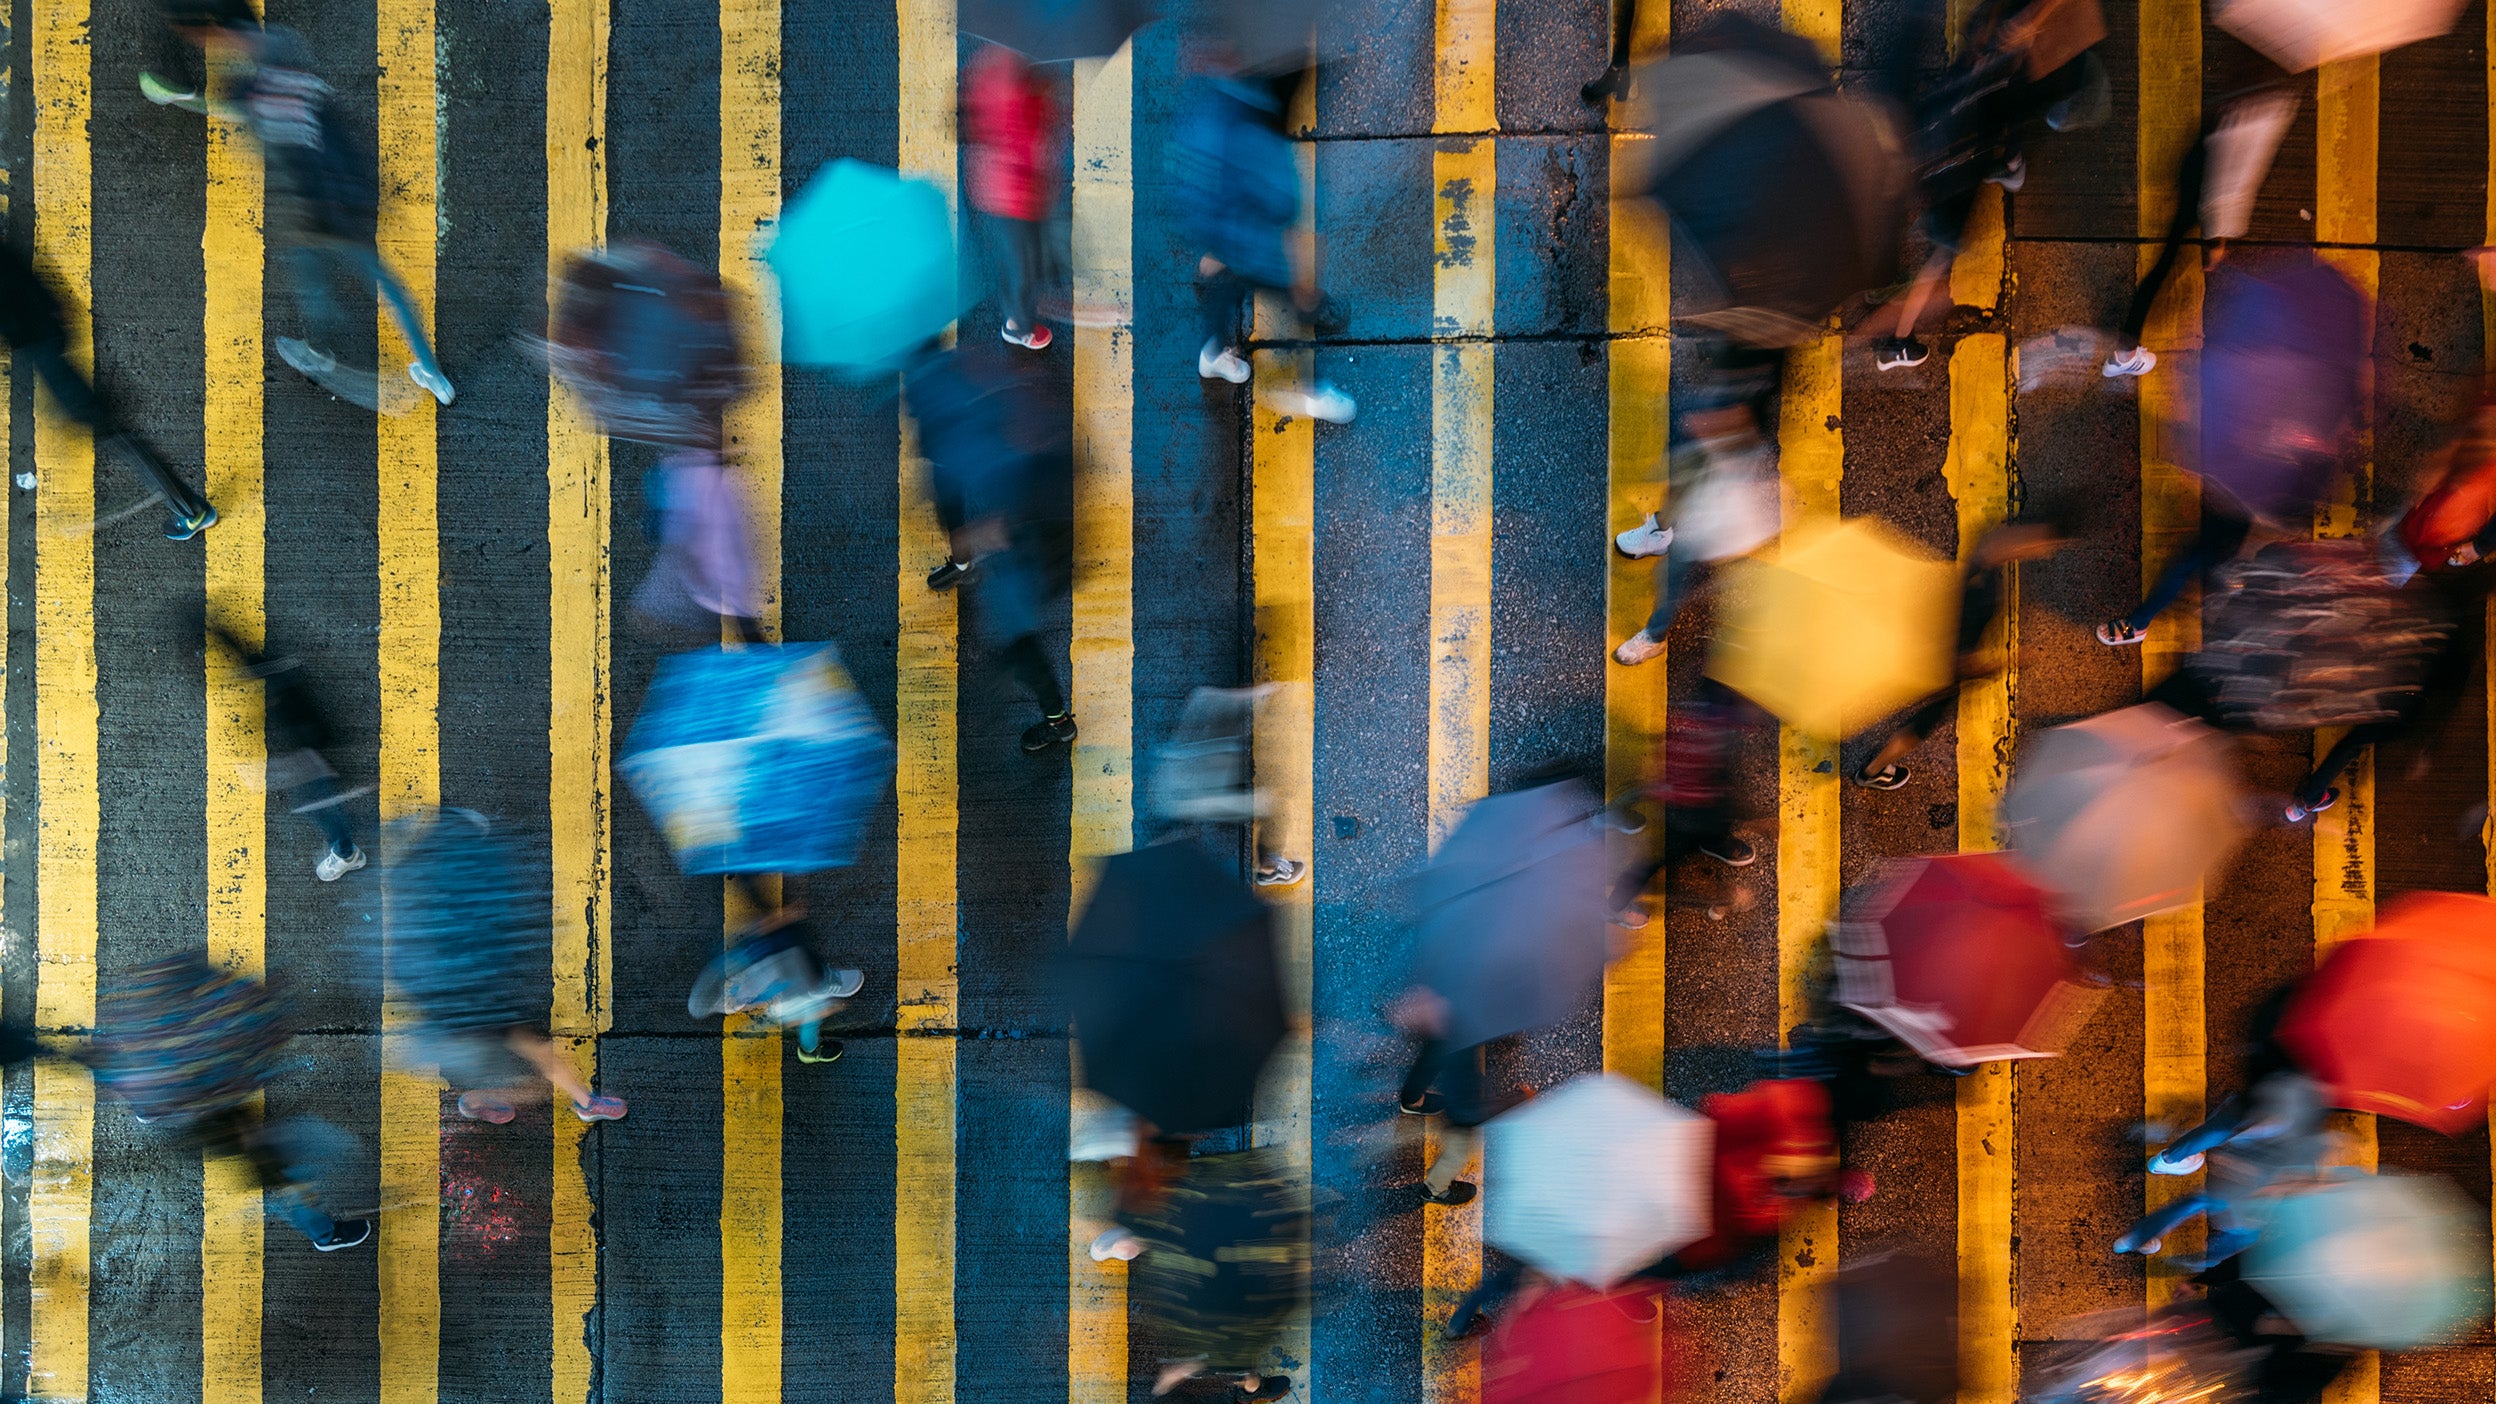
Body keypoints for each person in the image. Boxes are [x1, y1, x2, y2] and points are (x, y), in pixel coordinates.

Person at [173, 21, 454, 411]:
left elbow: (225, 108)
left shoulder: (252, 98)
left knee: (314, 286)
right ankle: (433, 373)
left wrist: (182, 98)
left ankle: (319, 351)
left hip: (310, 216)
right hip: (352, 205)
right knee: (390, 290)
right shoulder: (312, 90)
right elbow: (345, 141)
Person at [905, 346, 1079, 752]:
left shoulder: (1041, 468)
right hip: (1026, 552)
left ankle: (1058, 721)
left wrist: (971, 538)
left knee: (1019, 642)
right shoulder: (1028, 426)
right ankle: (962, 567)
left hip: (1032, 565)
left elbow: (1011, 527)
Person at [0, 240, 216, 540]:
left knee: (117, 436)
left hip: (44, 348)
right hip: (48, 333)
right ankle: (189, 507)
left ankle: (192, 510)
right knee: (112, 430)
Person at [1174, 69, 1356, 424]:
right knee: (1298, 306)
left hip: (1225, 239)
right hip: (1261, 251)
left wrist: (1213, 249)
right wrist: (1306, 279)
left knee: (1224, 290)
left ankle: (1211, 353)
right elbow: (1291, 213)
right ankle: (1310, 389)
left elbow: (1192, 181)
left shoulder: (1213, 107)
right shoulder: (1265, 145)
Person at [1852, 519, 2070, 789]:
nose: (2043, 552)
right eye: (2044, 545)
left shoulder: (1986, 554)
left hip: (1929, 641)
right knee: (1918, 726)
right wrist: (2007, 662)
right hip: (1944, 670)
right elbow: (1965, 664)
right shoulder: (1987, 591)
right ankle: (1871, 773)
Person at [2101, 87, 2298, 379]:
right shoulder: (2271, 106)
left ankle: (2126, 349)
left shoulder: (2248, 92)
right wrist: (2217, 239)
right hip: (2206, 187)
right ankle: (2124, 353)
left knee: (2167, 260)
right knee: (2166, 264)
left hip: (2198, 168)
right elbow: (2233, 180)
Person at [1612, 405, 1780, 665]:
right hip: (1723, 453)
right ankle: (1661, 530)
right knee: (1681, 481)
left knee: (1674, 576)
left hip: (1729, 514)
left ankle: (1655, 637)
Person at [2115, 1066, 2329, 1264]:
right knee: (2210, 1210)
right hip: (2242, 1184)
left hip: (2236, 1155)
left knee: (2199, 1195)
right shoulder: (2310, 1142)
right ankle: (2192, 1259)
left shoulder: (2293, 1087)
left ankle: (2166, 1163)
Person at [209, 617, 368, 880]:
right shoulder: (272, 677)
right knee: (315, 801)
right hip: (308, 741)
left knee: (315, 803)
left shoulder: (271, 687)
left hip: (306, 749)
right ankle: (345, 850)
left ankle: (347, 852)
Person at [1146, 684, 1305, 887]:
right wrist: (1266, 691)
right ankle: (1270, 867)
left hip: (1168, 790)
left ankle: (1162, 850)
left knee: (1189, 832)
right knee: (1272, 806)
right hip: (1200, 799)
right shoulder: (1204, 703)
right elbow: (1235, 698)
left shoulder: (1203, 706)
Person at [964, 44, 1058, 352]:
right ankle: (1019, 325)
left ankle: (1021, 311)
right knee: (1022, 263)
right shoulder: (1024, 86)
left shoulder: (989, 62)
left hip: (996, 186)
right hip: (1015, 194)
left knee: (1020, 256)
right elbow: (1029, 145)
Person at [688, 902, 861, 1065]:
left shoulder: (733, 968)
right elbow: (789, 1006)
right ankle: (809, 1051)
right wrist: (828, 1007)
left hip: (781, 967)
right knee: (811, 1010)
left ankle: (821, 980)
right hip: (788, 982)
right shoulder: (743, 988)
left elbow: (754, 942)